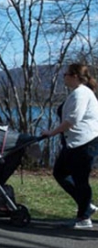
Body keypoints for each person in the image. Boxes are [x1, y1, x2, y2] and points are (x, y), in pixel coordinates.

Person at [41, 63, 98, 229]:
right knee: (60, 172)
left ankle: (84, 218)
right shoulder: (77, 93)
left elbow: (73, 120)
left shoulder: (81, 94)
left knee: (81, 179)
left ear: (74, 76)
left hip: (85, 142)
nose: (63, 76)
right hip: (75, 142)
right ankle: (86, 205)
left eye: (65, 74)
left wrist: (52, 132)